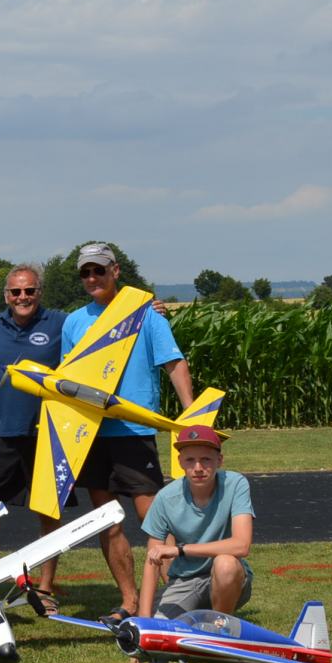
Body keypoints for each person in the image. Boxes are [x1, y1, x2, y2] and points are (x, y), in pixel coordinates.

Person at [62, 242, 197, 620]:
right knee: (107, 521)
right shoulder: (74, 322)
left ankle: (178, 603)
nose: (92, 278)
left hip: (134, 431)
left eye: (99, 270)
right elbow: (67, 379)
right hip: (91, 432)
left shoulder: (147, 314)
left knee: (154, 519)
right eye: (86, 272)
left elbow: (173, 363)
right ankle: (129, 602)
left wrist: (192, 415)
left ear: (115, 271)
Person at [0, 264, 67, 611]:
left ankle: (46, 588)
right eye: (16, 291)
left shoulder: (60, 322)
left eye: (30, 290)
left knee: (49, 514)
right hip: (4, 435)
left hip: (48, 434)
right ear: (6, 295)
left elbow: (105, 327)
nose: (23, 297)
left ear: (40, 292)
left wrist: (148, 311)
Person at [138, 426, 253, 618]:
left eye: (206, 459)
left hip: (230, 577)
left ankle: (219, 626)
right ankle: (199, 616)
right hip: (185, 580)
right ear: (180, 462)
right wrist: (143, 618)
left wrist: (180, 550)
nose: (198, 468)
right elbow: (152, 559)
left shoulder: (235, 484)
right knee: (162, 627)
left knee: (225, 564)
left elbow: (242, 545)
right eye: (190, 460)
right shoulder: (165, 498)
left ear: (219, 460)